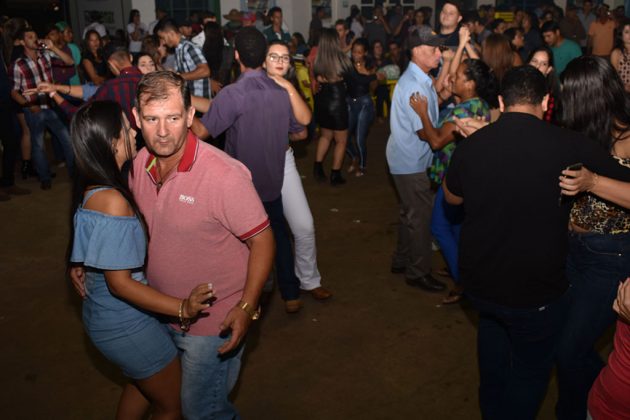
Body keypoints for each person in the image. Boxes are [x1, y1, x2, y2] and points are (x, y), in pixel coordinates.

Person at [69, 71, 275, 419]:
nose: (162, 131)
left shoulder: (224, 175)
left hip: (211, 324)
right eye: (152, 119)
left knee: (202, 411)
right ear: (136, 119)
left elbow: (263, 239)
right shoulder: (136, 165)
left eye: (174, 118)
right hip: (156, 313)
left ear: (191, 116)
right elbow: (104, 217)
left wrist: (247, 305)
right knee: (158, 393)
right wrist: (83, 258)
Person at [442, 65, 630, 420]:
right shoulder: (569, 144)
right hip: (535, 294)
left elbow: (452, 199)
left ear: (501, 102)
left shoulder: (474, 145)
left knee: (493, 343)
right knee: (530, 369)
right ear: (545, 102)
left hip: (481, 285)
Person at [69, 100, 212, 419]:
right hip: (124, 322)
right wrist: (182, 307)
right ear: (112, 142)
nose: (133, 131)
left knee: (142, 385)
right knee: (171, 406)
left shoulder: (94, 187)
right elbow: (120, 284)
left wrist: (76, 261)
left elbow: (90, 232)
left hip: (105, 315)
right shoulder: (113, 200)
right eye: (126, 126)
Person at [193, 28, 308, 314]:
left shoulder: (233, 93)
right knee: (278, 234)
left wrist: (183, 109)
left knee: (242, 243)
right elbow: (300, 132)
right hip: (273, 181)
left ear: (236, 56)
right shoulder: (281, 92)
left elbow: (202, 132)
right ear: (264, 56)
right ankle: (291, 294)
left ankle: (252, 296)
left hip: (241, 187)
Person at [554, 56, 630, 420]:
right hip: (575, 252)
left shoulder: (628, 136)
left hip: (610, 258)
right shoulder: (587, 131)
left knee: (569, 350)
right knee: (566, 343)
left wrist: (593, 182)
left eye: (569, 97)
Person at [409, 58, 497, 304]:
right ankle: (461, 267)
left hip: (453, 179)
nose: (452, 78)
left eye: (457, 76)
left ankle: (464, 282)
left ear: (470, 84)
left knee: (438, 226)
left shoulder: (461, 112)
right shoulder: (480, 105)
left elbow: (437, 141)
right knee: (457, 227)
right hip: (470, 176)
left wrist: (422, 113)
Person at [261, 40, 332, 300]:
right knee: (261, 232)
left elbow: (303, 128)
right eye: (274, 56)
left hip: (284, 160)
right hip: (254, 166)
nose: (280, 61)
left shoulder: (289, 89)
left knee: (304, 225)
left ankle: (309, 280)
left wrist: (287, 131)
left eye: (285, 57)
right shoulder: (250, 89)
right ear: (263, 61)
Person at [386, 26, 445, 292]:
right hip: (410, 161)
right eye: (434, 49)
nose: (439, 54)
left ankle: (401, 260)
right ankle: (418, 271)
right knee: (420, 216)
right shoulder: (413, 85)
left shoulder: (421, 78)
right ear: (418, 51)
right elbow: (427, 134)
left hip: (406, 157)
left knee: (409, 212)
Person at [9, 27, 74, 190]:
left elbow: (70, 62)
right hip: (34, 109)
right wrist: (28, 105)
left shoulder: (45, 55)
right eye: (30, 37)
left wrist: (53, 47)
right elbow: (14, 91)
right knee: (38, 144)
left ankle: (75, 174)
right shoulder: (18, 64)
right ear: (22, 42)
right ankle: (44, 177)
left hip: (51, 105)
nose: (34, 39)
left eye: (35, 36)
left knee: (67, 139)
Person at [312, 28, 353, 186]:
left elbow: (318, 78)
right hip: (337, 102)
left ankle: (317, 167)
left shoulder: (318, 60)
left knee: (325, 136)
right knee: (341, 141)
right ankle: (335, 175)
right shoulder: (342, 59)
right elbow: (350, 78)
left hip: (322, 101)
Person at [346, 38, 381, 177]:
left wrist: (369, 73)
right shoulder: (348, 65)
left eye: (359, 52)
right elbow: (357, 79)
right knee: (344, 137)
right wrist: (372, 76)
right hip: (350, 102)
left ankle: (362, 166)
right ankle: (354, 157)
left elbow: (374, 87)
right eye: (354, 51)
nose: (356, 55)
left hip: (365, 103)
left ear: (365, 53)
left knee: (359, 137)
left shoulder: (371, 65)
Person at [156, 19, 210, 99]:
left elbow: (205, 71)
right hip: (191, 98)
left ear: (171, 33)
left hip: (200, 99)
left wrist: (179, 76)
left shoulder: (189, 48)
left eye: (163, 38)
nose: (163, 42)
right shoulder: (179, 49)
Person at [528, 46, 561, 123]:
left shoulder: (550, 95)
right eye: (534, 61)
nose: (537, 66)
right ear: (528, 63)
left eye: (543, 64)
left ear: (548, 69)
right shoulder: (517, 86)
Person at [55, 21, 81, 85]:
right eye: (68, 32)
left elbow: (77, 67)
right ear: (60, 34)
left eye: (71, 32)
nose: (71, 35)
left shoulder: (73, 47)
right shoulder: (53, 49)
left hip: (73, 83)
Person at [610, 18, 630, 92]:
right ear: (621, 34)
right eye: (627, 32)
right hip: (623, 91)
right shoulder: (617, 53)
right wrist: (625, 87)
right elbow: (614, 77)